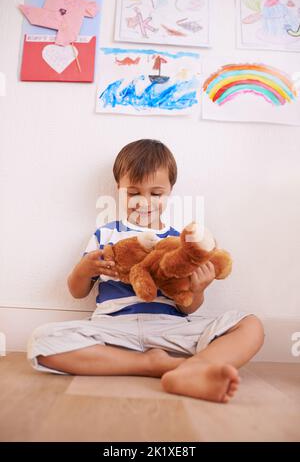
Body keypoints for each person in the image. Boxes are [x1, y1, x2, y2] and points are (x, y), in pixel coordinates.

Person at [27, 139, 264, 403]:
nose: (144, 202)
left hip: (171, 328)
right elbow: (77, 292)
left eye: (156, 193)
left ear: (170, 191)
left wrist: (198, 289)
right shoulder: (105, 234)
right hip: (114, 329)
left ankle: (196, 369)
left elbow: (187, 308)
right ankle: (163, 366)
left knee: (250, 325)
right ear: (118, 189)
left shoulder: (180, 241)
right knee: (42, 340)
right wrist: (84, 269)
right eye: (133, 192)